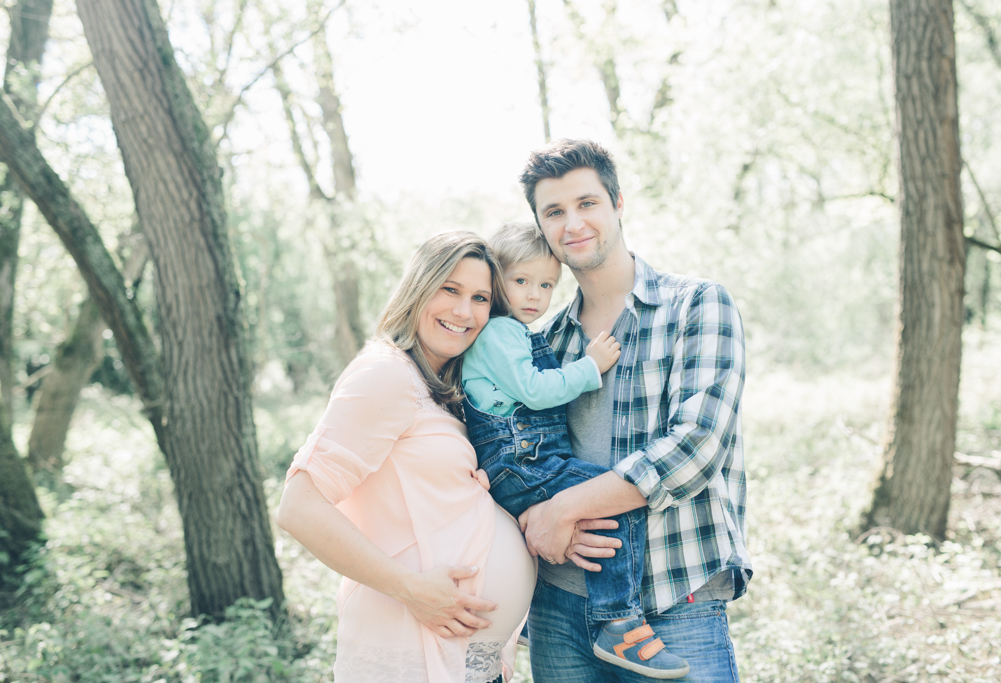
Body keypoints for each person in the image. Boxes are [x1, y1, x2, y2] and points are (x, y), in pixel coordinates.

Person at [514, 139, 753, 683]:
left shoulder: (697, 305)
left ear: (618, 203)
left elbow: (695, 446)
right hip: (560, 606)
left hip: (675, 598)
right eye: (554, 212)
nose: (573, 222)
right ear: (541, 228)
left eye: (587, 203)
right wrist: (540, 515)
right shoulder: (544, 343)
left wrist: (563, 508)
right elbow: (524, 454)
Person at [276, 231, 537, 683]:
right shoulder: (386, 373)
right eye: (450, 289)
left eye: (480, 298)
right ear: (418, 288)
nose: (464, 311)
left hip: (468, 663)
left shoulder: (444, 391)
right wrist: (411, 589)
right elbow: (298, 507)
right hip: (407, 658)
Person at [460, 221, 690, 679]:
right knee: (610, 494)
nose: (534, 295)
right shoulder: (501, 333)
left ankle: (528, 616)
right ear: (495, 279)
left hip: (529, 460)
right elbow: (536, 389)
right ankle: (617, 619)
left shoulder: (514, 332)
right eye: (520, 281)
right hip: (522, 461)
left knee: (590, 511)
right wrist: (591, 366)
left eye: (546, 284)